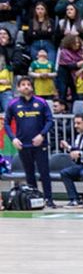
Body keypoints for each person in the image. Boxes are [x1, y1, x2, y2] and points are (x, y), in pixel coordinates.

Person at [4, 75, 53, 206]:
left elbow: (49, 120)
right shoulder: (13, 104)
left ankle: (49, 199)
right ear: (18, 88)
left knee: (44, 172)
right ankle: (34, 199)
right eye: (23, 84)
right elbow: (6, 123)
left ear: (32, 87)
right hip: (23, 144)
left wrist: (42, 135)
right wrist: (13, 138)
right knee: (29, 173)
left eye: (28, 84)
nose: (26, 86)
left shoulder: (41, 102)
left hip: (40, 143)